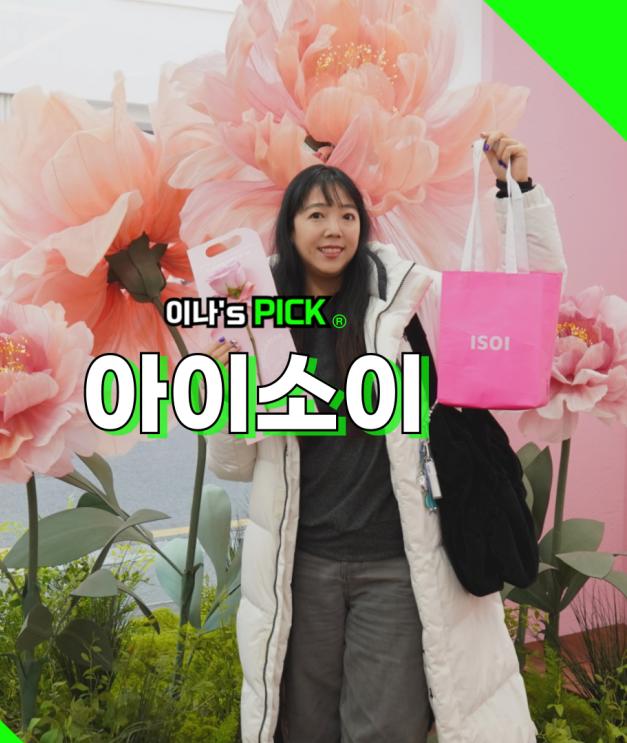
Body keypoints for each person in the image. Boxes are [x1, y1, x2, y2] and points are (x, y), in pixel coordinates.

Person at [203, 131, 567, 743]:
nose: (334, 229)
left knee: (385, 730)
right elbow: (233, 465)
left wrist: (520, 192)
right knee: (303, 730)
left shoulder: (409, 300)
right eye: (316, 215)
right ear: (289, 229)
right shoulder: (256, 320)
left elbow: (525, 301)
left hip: (397, 566)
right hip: (301, 568)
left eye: (347, 215)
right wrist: (224, 388)